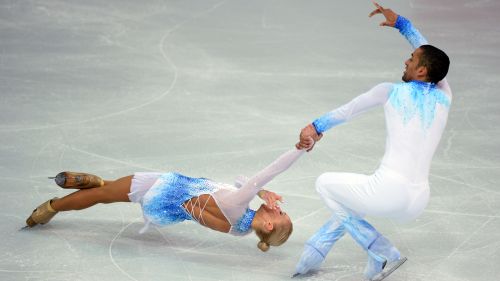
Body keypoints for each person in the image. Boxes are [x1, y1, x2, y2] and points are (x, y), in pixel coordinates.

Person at [294, 2, 451, 280]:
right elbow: (432, 55)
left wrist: (314, 127)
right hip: (419, 199)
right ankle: (313, 253)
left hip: (390, 191)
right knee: (351, 202)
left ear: (421, 71)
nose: (406, 60)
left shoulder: (389, 92)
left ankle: (382, 250)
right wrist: (402, 24)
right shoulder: (445, 94)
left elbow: (347, 111)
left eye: (411, 59)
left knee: (325, 185)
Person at [26, 147, 310, 252]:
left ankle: (50, 208)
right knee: (111, 189)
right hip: (167, 207)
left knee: (102, 196)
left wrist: (300, 148)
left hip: (163, 188)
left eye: (280, 214)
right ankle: (97, 180)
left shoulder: (239, 204)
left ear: (270, 225)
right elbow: (240, 181)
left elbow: (271, 169)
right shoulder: (241, 227)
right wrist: (260, 192)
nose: (280, 208)